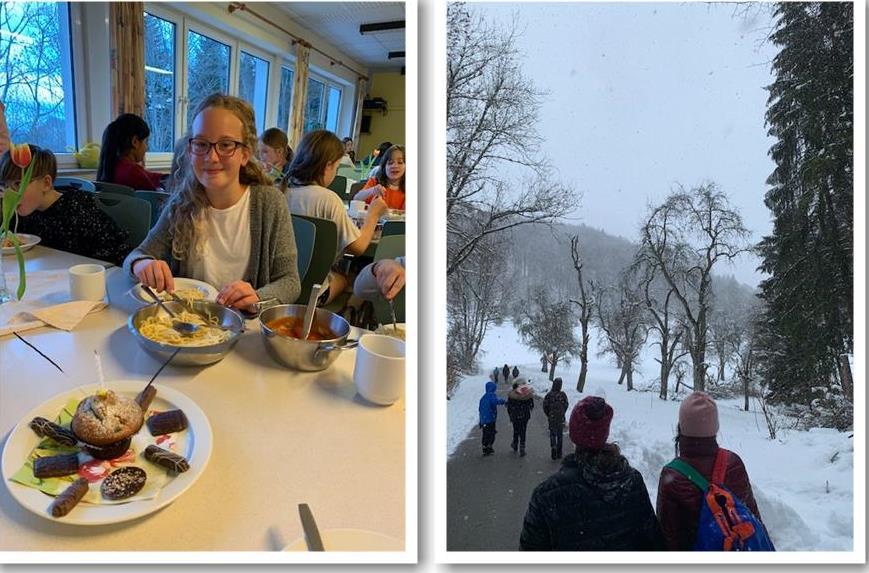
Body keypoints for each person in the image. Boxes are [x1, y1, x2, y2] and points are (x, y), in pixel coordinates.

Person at [123, 94, 300, 311]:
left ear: (245, 154)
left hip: (244, 329)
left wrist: (258, 297)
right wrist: (143, 265)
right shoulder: (183, 201)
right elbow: (137, 255)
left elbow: (290, 282)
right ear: (191, 149)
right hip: (187, 325)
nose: (212, 157)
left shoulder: (270, 203)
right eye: (201, 144)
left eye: (226, 145)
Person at [520, 396, 665, 551]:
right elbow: (653, 541)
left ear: (574, 434)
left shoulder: (547, 494)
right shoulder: (632, 481)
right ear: (605, 433)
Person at [286, 130, 388, 304]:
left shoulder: (280, 191)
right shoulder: (328, 199)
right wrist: (373, 214)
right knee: (348, 278)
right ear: (327, 166)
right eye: (337, 167)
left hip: (278, 288)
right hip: (310, 295)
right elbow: (359, 247)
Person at [656, 392, 765, 551]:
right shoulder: (733, 462)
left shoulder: (672, 475)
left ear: (681, 427)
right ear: (715, 427)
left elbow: (669, 538)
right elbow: (753, 517)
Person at [0, 145, 129, 264]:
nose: (8, 194)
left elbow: (118, 251)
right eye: (4, 186)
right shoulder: (22, 213)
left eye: (17, 184)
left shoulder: (78, 210)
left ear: (46, 183)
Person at [97, 113, 163, 190]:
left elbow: (148, 175)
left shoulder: (111, 165)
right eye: (145, 142)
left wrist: (165, 177)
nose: (146, 147)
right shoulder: (133, 171)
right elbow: (156, 198)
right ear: (135, 142)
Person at [352, 145, 405, 210]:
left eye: (400, 162)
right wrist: (372, 190)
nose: (394, 166)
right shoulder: (375, 181)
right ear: (384, 166)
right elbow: (356, 198)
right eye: (390, 163)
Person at [543, 377, 569, 460]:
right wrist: (562, 412)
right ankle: (559, 452)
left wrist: (549, 414)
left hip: (552, 417)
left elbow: (545, 406)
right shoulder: (563, 395)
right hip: (560, 417)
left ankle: (553, 447)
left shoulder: (549, 395)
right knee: (560, 435)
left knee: (553, 434)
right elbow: (566, 405)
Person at [506, 380, 534, 456]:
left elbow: (509, 406)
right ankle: (522, 447)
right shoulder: (527, 395)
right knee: (523, 431)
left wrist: (510, 415)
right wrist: (528, 410)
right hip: (524, 416)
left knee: (516, 430)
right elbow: (531, 405)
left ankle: (515, 444)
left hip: (515, 415)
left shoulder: (512, 395)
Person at [478, 381, 505, 456]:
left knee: (485, 433)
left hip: (484, 419)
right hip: (490, 418)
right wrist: (503, 401)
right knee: (491, 433)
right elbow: (495, 402)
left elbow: (480, 409)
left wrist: (481, 420)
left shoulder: (483, 397)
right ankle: (489, 447)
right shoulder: (492, 395)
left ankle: (484, 447)